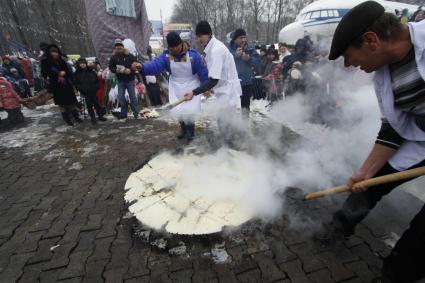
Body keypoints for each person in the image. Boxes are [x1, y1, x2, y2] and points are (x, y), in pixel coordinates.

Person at [317, 2, 425, 282]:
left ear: (371, 40)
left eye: (352, 58)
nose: (352, 66)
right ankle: (336, 229)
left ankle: (395, 276)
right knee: (367, 185)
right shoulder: (384, 75)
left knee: (420, 236)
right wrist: (365, 172)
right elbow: (393, 128)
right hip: (420, 142)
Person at [138, 32, 208, 141]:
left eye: (176, 46)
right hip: (175, 86)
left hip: (191, 85)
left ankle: (190, 132)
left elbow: (202, 71)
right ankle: (183, 129)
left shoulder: (193, 55)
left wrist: (205, 86)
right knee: (179, 110)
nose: (174, 49)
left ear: (181, 43)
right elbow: (155, 65)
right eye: (172, 47)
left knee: (189, 110)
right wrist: (142, 68)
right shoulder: (166, 56)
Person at [184, 21, 242, 145]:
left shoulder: (216, 50)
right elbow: (214, 75)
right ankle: (228, 144)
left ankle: (230, 147)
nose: (199, 39)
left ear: (209, 34)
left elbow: (214, 80)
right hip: (223, 89)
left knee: (225, 121)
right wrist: (208, 88)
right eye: (198, 36)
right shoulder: (211, 48)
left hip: (228, 91)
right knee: (223, 121)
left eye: (201, 36)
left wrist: (194, 92)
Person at [41, 44, 82, 126]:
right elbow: (44, 74)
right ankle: (67, 119)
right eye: (52, 52)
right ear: (49, 53)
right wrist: (55, 74)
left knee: (71, 101)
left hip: (66, 84)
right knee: (61, 103)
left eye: (56, 51)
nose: (55, 53)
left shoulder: (61, 60)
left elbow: (68, 71)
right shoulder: (45, 61)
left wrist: (64, 73)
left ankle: (76, 116)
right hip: (56, 85)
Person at [228, 28, 261, 117]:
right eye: (240, 38)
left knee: (245, 107)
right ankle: (231, 125)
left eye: (244, 37)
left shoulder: (250, 47)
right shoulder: (228, 48)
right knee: (230, 106)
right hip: (232, 82)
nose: (243, 40)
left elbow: (258, 62)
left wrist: (248, 58)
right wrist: (234, 56)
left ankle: (244, 127)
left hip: (246, 81)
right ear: (235, 39)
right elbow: (224, 63)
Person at [109, 39, 139, 120]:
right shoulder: (113, 58)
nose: (118, 48)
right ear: (115, 48)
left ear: (123, 47)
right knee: (121, 98)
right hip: (120, 80)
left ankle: (136, 113)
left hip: (130, 80)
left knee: (133, 97)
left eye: (120, 46)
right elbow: (111, 68)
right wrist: (120, 70)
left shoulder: (130, 56)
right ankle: (124, 114)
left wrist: (131, 69)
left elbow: (136, 65)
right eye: (117, 47)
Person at [73, 58, 107, 124]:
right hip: (85, 92)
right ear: (78, 64)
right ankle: (93, 118)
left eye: (83, 63)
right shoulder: (76, 73)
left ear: (86, 64)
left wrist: (96, 87)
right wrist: (81, 89)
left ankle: (100, 116)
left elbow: (97, 81)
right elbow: (76, 83)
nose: (82, 64)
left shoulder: (91, 71)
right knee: (89, 105)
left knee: (97, 104)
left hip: (93, 91)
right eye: (81, 63)